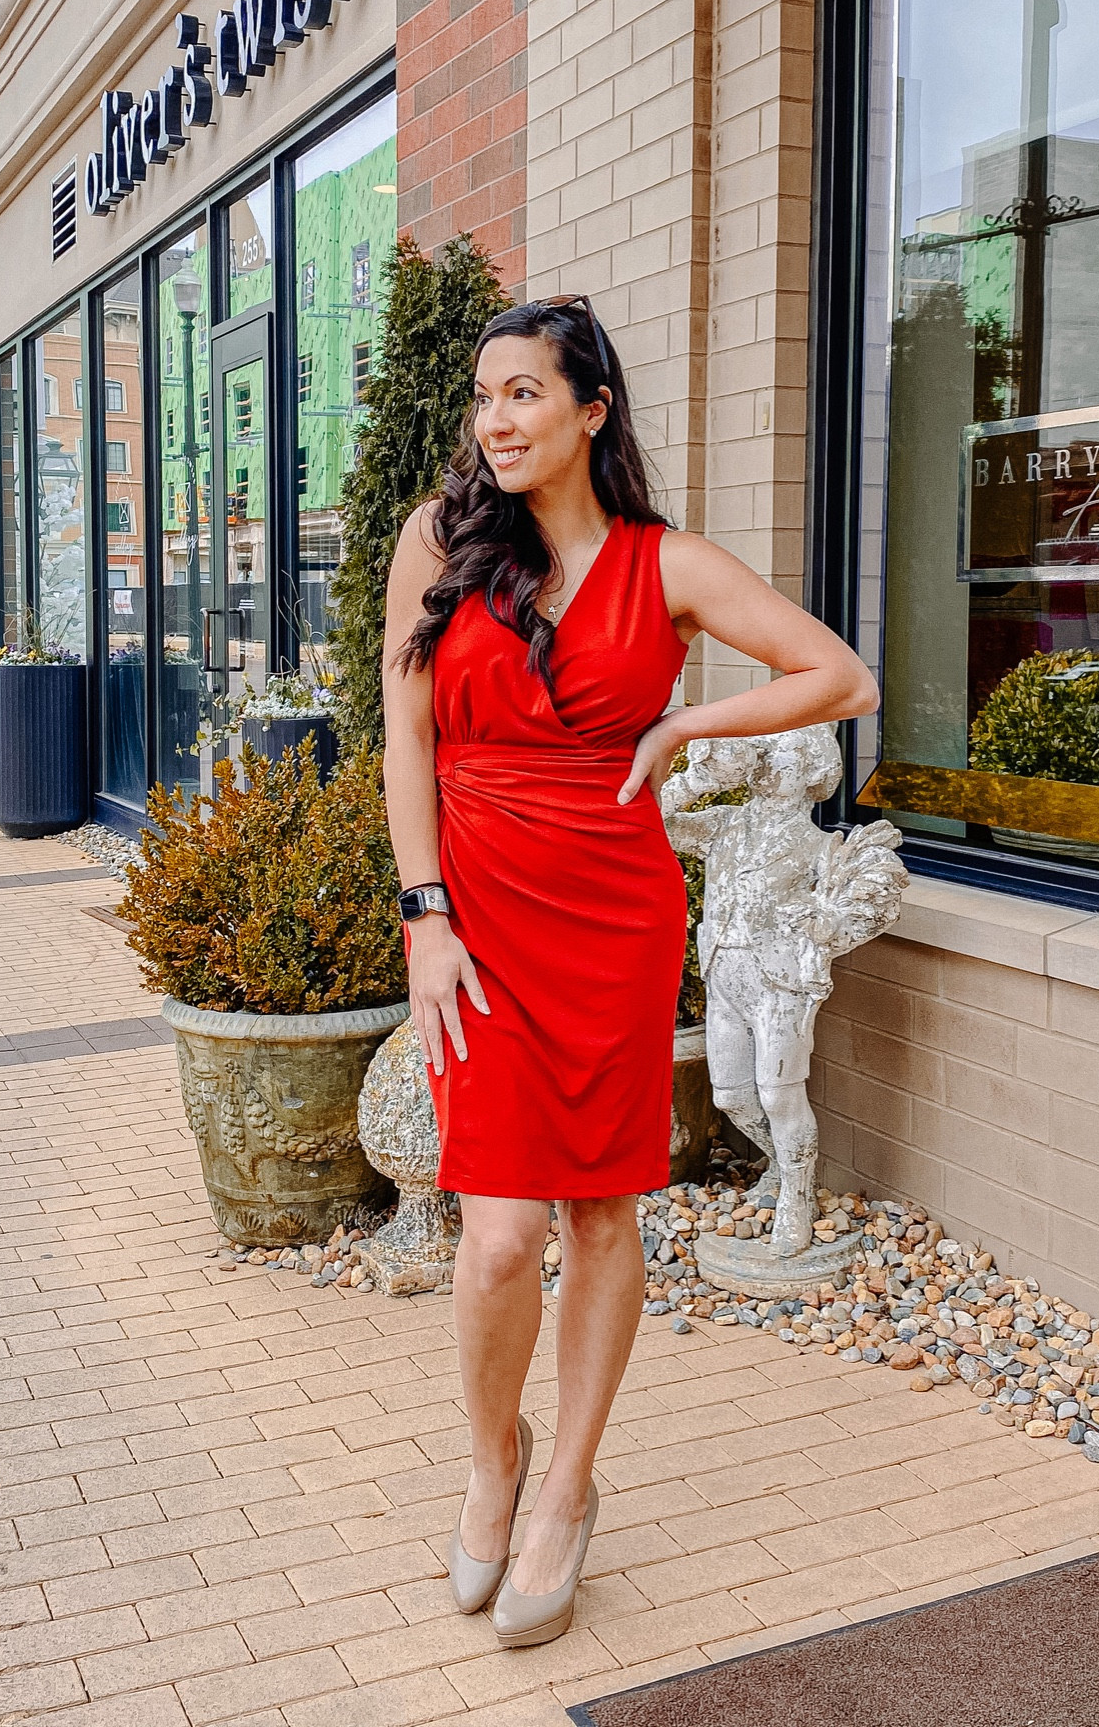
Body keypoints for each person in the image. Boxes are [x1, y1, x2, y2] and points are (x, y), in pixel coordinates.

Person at [380, 297, 879, 1648]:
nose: (495, 419)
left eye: (525, 393)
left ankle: (566, 1493)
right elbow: (402, 740)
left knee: (600, 1218)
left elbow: (836, 675)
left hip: (611, 918)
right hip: (475, 922)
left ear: (590, 411)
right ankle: (494, 1458)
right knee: (495, 1238)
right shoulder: (436, 543)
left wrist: (684, 724)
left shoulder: (666, 565)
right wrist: (424, 915)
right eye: (484, 395)